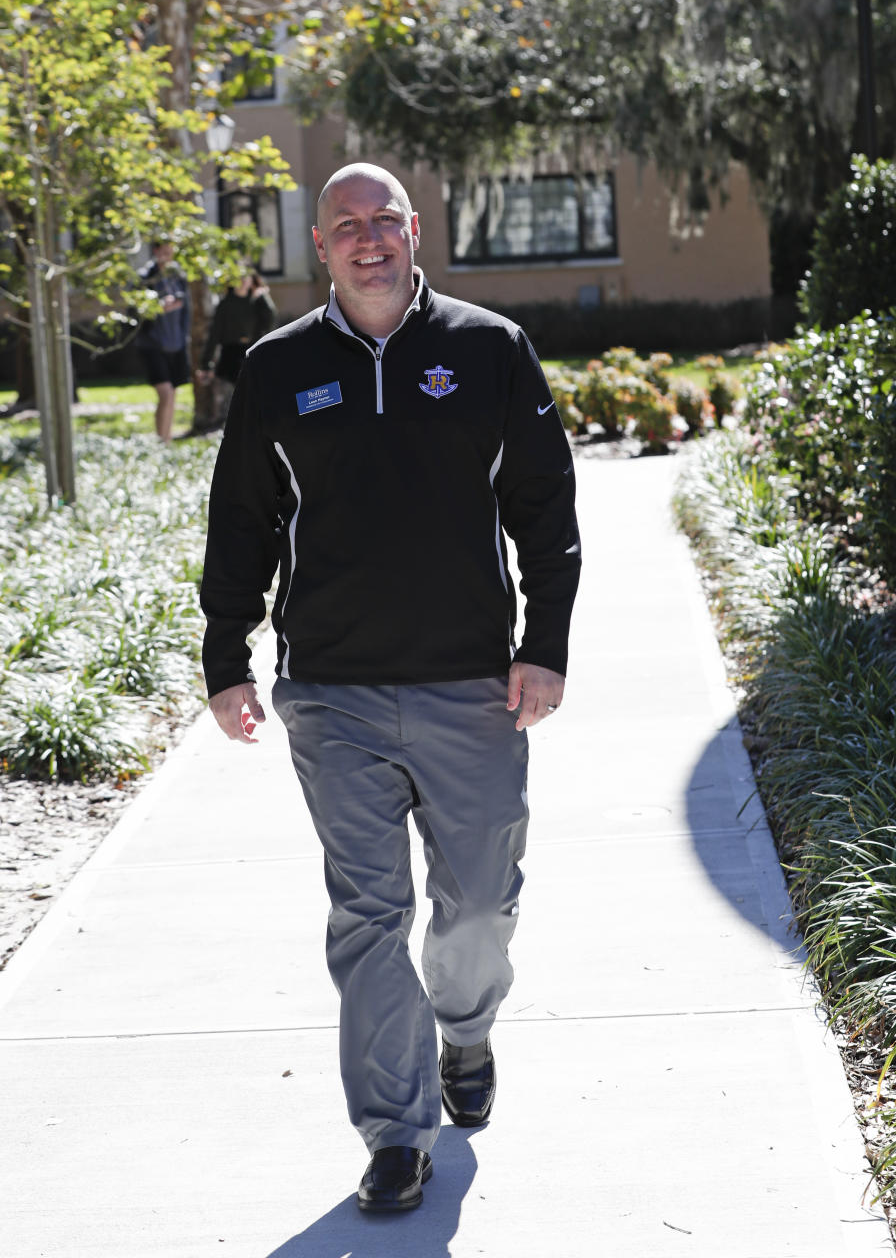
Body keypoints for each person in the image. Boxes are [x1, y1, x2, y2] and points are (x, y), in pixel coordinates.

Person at [199, 163, 581, 1214]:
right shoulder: (279, 367)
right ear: (318, 246)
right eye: (346, 226)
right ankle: (394, 1133)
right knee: (367, 916)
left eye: (385, 221)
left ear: (416, 231)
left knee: (478, 908)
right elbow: (244, 517)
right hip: (335, 691)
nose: (369, 240)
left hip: (473, 687)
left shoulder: (487, 349)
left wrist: (542, 642)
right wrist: (227, 656)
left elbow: (544, 505)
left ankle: (466, 1029)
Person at [196, 268, 277, 424]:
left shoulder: (257, 302)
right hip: (230, 354)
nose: (242, 281)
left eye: (246, 277)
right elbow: (214, 335)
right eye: (238, 278)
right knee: (230, 401)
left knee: (255, 398)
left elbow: (270, 319)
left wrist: (263, 296)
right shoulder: (226, 304)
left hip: (252, 351)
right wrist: (206, 364)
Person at [135, 238, 190, 443]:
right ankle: (162, 441)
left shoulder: (178, 276)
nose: (168, 257)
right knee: (165, 393)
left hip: (176, 342)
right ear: (156, 250)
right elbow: (135, 309)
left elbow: (187, 309)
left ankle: (166, 438)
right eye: (164, 252)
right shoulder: (145, 277)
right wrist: (158, 308)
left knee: (172, 394)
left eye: (171, 252)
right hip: (152, 344)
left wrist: (185, 338)